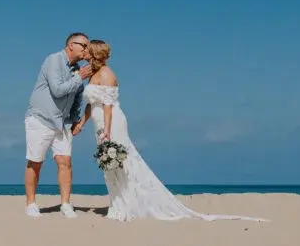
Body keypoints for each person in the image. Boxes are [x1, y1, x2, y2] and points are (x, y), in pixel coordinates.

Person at [74, 39, 267, 222]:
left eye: (88, 52)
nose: (85, 55)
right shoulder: (92, 74)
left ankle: (127, 205)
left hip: (112, 123)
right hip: (98, 124)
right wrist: (82, 123)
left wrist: (107, 130)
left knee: (120, 160)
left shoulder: (107, 74)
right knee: (109, 164)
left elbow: (108, 105)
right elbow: (92, 104)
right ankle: (117, 203)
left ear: (95, 54)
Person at [23, 32, 93, 218]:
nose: (86, 49)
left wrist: (76, 121)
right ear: (71, 45)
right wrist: (79, 77)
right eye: (84, 45)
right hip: (40, 119)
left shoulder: (77, 70)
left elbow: (77, 99)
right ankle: (30, 203)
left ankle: (65, 204)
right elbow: (58, 90)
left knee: (65, 162)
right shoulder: (54, 60)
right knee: (35, 162)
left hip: (63, 123)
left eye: (87, 47)